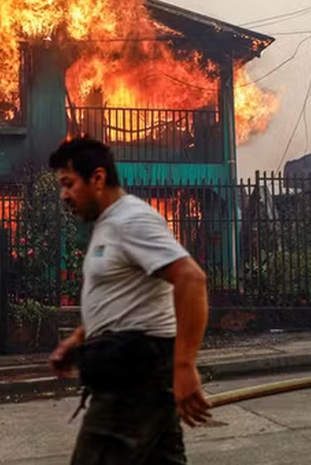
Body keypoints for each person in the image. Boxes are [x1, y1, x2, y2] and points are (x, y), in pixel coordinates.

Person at [48, 137, 211, 465]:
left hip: (133, 378)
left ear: (97, 178)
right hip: (137, 372)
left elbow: (191, 279)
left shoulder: (131, 220)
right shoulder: (108, 224)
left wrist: (184, 366)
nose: (63, 195)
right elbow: (121, 299)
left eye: (68, 183)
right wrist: (78, 339)